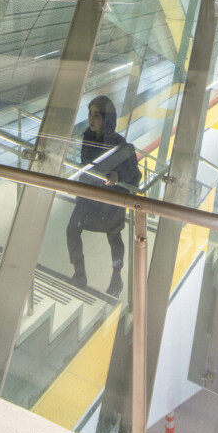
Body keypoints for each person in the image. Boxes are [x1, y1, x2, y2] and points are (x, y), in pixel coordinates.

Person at [66, 96, 141, 297]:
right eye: (90, 114)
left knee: (114, 236)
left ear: (106, 118)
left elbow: (135, 174)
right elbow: (85, 167)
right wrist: (80, 189)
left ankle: (116, 276)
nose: (92, 119)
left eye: (97, 115)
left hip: (111, 199)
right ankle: (79, 272)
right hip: (90, 196)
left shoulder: (120, 143)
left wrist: (118, 177)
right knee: (72, 229)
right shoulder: (87, 138)